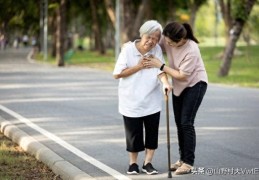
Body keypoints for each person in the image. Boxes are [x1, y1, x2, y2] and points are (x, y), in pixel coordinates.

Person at [147, 21, 208, 175]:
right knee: (179, 123)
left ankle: (188, 163)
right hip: (179, 86)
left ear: (181, 39)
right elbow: (153, 43)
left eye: (171, 43)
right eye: (166, 41)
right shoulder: (167, 39)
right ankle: (181, 159)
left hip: (195, 84)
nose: (167, 44)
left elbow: (181, 75)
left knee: (186, 123)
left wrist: (160, 66)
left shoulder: (192, 49)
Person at [113, 20, 172, 175]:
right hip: (131, 100)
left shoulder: (157, 49)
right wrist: (139, 66)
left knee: (152, 133)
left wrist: (165, 83)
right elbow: (117, 74)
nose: (152, 41)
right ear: (142, 34)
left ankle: (148, 163)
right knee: (134, 135)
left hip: (151, 100)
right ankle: (133, 164)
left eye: (156, 38)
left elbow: (160, 70)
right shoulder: (128, 50)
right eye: (149, 37)